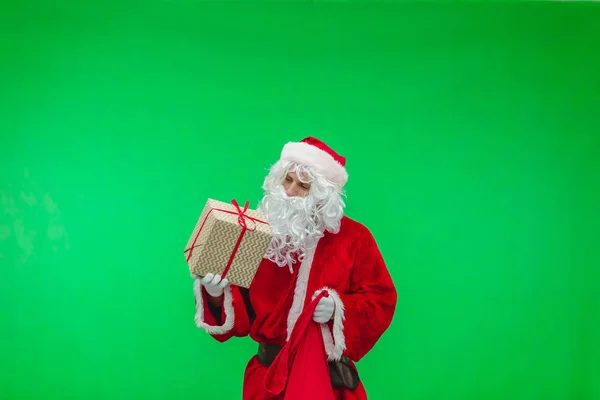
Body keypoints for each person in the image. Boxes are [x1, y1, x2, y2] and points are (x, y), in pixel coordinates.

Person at [192, 137, 397, 399]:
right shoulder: (260, 233)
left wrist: (337, 308)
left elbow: (382, 299)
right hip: (267, 382)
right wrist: (215, 293)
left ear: (323, 196)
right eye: (287, 180)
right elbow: (241, 311)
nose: (290, 191)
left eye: (303, 186)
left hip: (329, 384)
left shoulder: (355, 238)